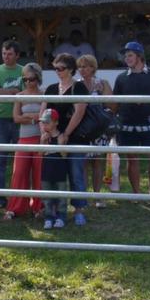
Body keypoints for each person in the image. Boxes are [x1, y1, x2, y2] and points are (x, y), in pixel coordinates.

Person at [109, 42, 150, 210]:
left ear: (139, 56)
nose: (126, 58)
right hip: (127, 125)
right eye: (125, 55)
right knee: (132, 159)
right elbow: (115, 104)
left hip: (149, 125)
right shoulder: (121, 78)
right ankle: (136, 194)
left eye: (130, 55)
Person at [39, 53, 90, 225]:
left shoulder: (79, 87)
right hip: (53, 139)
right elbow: (42, 112)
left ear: (71, 70)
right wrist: (44, 132)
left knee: (76, 174)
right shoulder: (51, 88)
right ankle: (53, 211)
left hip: (75, 138)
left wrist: (65, 134)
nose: (58, 71)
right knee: (53, 176)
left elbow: (79, 112)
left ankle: (79, 210)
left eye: (62, 68)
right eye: (56, 68)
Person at [0, 40, 24, 208]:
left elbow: (27, 91)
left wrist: (5, 92)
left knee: (21, 160)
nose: (6, 57)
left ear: (17, 55)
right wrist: (12, 92)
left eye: (9, 54)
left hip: (19, 119)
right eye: (4, 54)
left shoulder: (24, 71)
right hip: (0, 119)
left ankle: (20, 196)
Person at [6, 63, 45, 220]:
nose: (29, 82)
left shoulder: (44, 95)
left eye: (32, 79)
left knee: (39, 174)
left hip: (40, 139)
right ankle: (15, 208)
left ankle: (38, 207)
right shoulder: (19, 96)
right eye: (25, 79)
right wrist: (34, 118)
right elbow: (16, 118)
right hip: (24, 139)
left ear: (38, 78)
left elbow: (44, 117)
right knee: (19, 173)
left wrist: (28, 118)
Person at [76, 54, 114, 208]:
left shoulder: (102, 83)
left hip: (99, 128)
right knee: (83, 162)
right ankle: (84, 196)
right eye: (80, 66)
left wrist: (101, 93)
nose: (82, 69)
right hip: (83, 128)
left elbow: (112, 104)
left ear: (93, 67)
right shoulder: (75, 84)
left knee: (97, 162)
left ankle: (97, 196)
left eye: (85, 66)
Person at [38, 108, 69, 229]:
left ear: (56, 122)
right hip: (46, 171)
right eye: (43, 122)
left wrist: (61, 145)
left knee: (61, 196)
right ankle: (49, 217)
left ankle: (61, 217)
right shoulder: (44, 137)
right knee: (47, 196)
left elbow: (65, 155)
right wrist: (42, 142)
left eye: (47, 122)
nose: (45, 124)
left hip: (60, 171)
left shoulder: (62, 136)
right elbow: (40, 154)